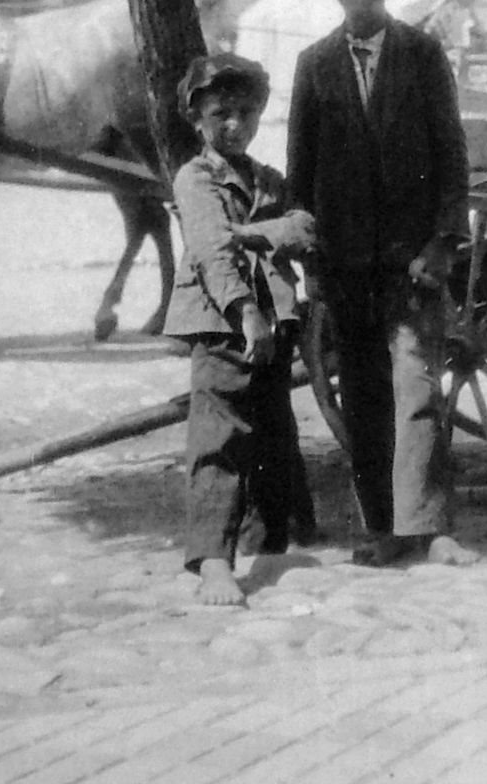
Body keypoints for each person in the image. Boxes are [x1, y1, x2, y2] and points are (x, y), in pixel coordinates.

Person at [286, 0, 477, 569]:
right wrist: (311, 263)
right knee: (366, 398)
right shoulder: (313, 67)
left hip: (412, 260)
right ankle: (386, 531)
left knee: (418, 387)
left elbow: (452, 159)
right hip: (346, 267)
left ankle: (430, 527)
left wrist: (443, 243)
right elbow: (300, 175)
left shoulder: (422, 56)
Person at [165, 52, 318, 606]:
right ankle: (211, 561)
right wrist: (243, 310)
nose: (234, 125)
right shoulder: (195, 177)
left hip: (274, 322)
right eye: (220, 113)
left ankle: (268, 545)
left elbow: (304, 228)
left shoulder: (266, 179)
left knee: (275, 435)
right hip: (221, 322)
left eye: (246, 113)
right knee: (220, 439)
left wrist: (249, 232)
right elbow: (210, 248)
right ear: (197, 119)